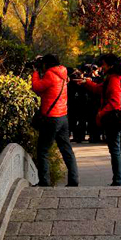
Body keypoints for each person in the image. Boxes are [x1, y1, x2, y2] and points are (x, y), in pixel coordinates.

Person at [76, 53, 121, 187]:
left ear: (110, 65)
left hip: (115, 117)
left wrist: (100, 113)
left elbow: (114, 102)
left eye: (103, 64)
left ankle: (118, 180)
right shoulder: (116, 78)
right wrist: (86, 83)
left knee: (116, 149)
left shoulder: (114, 79)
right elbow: (101, 89)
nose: (101, 67)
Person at [31, 54, 79, 187]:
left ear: (47, 63)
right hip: (63, 116)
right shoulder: (63, 74)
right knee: (66, 149)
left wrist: (35, 72)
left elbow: (36, 87)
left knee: (43, 150)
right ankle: (74, 180)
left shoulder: (50, 75)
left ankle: (44, 182)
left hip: (51, 118)